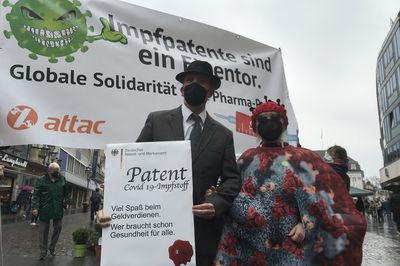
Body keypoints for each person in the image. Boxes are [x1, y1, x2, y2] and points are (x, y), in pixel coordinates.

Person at [98, 60, 241, 266]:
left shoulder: (223, 135)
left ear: (211, 92)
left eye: (201, 81)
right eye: (189, 80)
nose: (194, 84)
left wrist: (216, 203)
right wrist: (111, 206)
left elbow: (232, 179)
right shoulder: (156, 121)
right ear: (182, 89)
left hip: (201, 234)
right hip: (155, 228)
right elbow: (131, 169)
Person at [215, 99, 367, 266]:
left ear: (283, 123)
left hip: (291, 247)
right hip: (252, 250)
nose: (268, 122)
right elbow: (232, 193)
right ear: (255, 126)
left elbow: (326, 200)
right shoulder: (247, 158)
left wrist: (305, 222)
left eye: (274, 117)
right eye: (263, 119)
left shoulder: (303, 158)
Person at [31, 162, 70, 260]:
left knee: (58, 227)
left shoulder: (62, 179)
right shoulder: (42, 180)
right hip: (45, 208)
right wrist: (35, 207)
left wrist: (66, 202)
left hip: (57, 208)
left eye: (58, 171)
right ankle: (43, 251)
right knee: (43, 231)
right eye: (56, 171)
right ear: (49, 170)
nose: (58, 173)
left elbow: (67, 193)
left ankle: (52, 247)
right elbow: (36, 195)